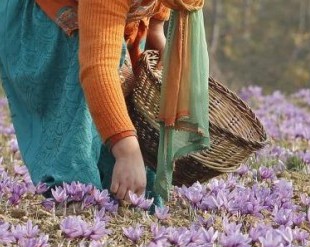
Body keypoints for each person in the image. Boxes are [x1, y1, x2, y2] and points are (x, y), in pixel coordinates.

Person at [0, 0, 207, 205]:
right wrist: (127, 151)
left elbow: (155, 25)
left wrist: (160, 58)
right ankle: (75, 193)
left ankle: (117, 188)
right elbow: (98, 68)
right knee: (84, 87)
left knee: (122, 81)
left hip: (106, 21)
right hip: (49, 25)